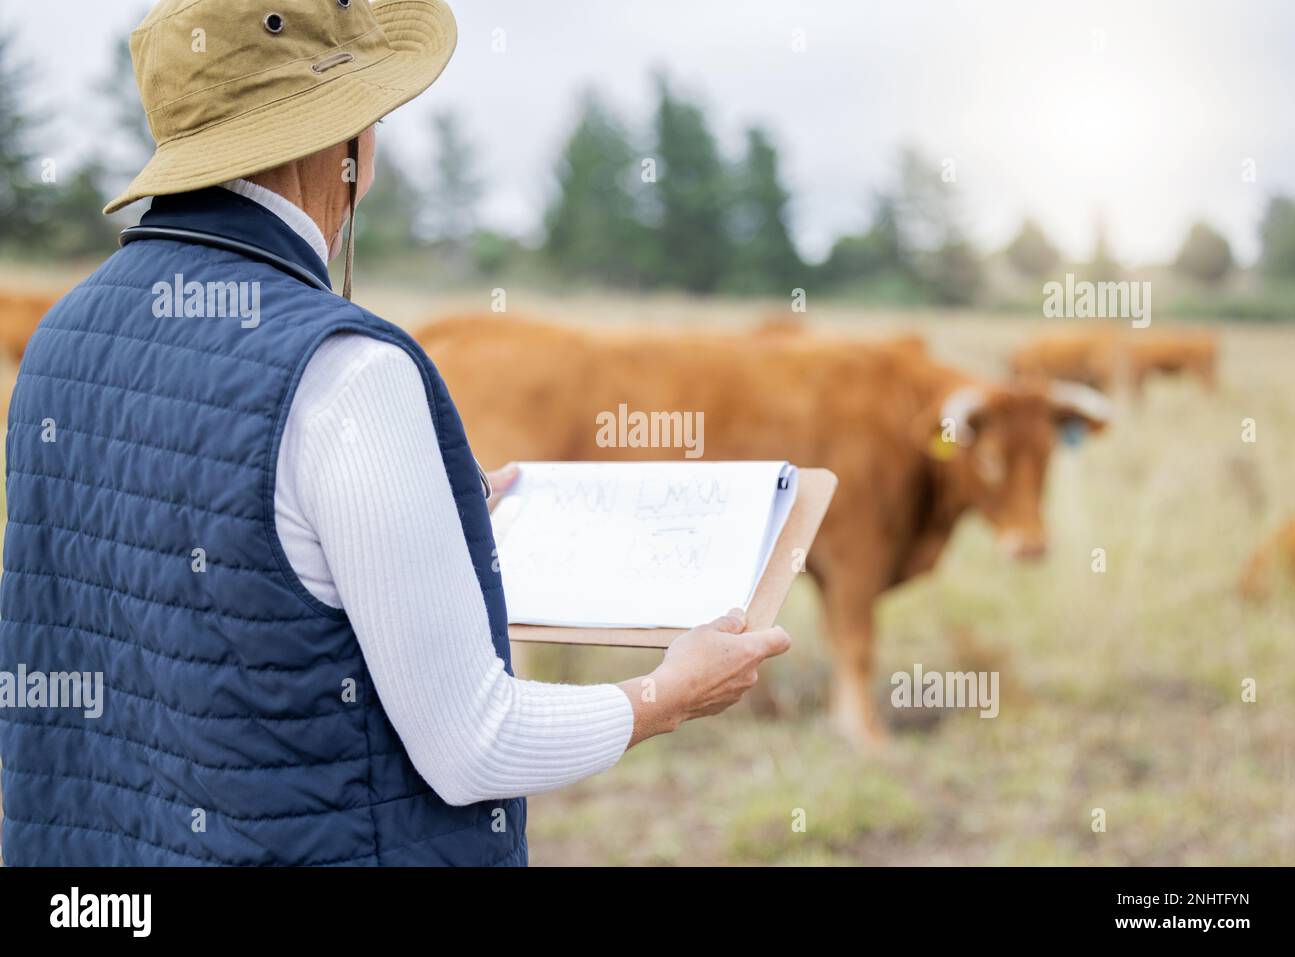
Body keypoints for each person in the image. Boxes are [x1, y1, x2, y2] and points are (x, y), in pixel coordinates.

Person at [0, 0, 789, 866]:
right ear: (342, 141)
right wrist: (666, 693)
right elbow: (475, 743)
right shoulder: (347, 373)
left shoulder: (60, 339)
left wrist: (405, 509)